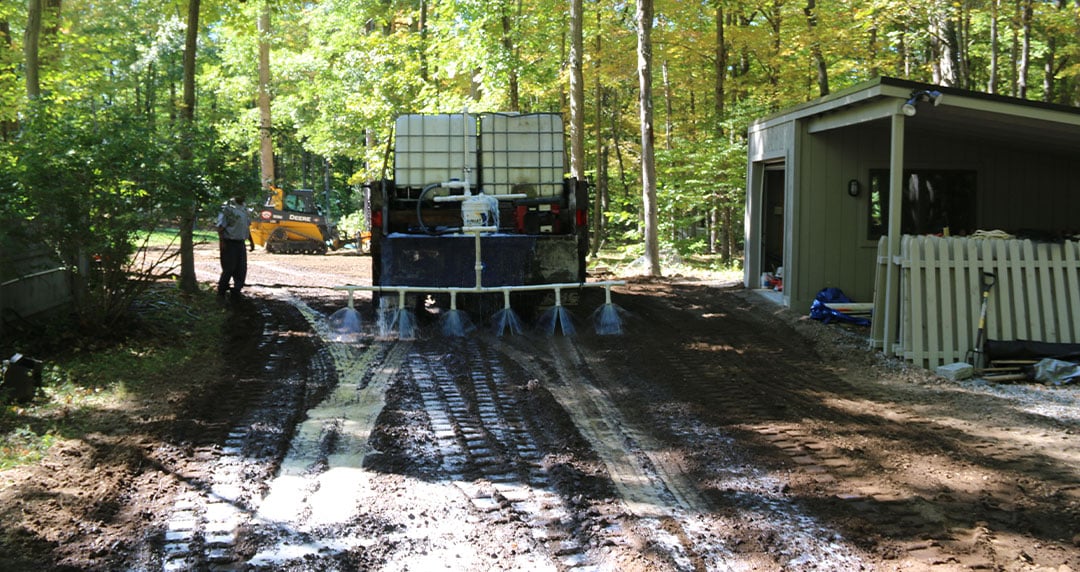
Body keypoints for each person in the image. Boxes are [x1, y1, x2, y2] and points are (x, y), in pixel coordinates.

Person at [216, 195, 255, 300]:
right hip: (229, 242)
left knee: (241, 268)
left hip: (241, 243)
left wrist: (251, 241)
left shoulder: (245, 208)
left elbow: (246, 226)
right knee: (229, 268)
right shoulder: (228, 208)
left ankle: (236, 291)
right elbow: (220, 227)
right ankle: (221, 292)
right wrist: (222, 242)